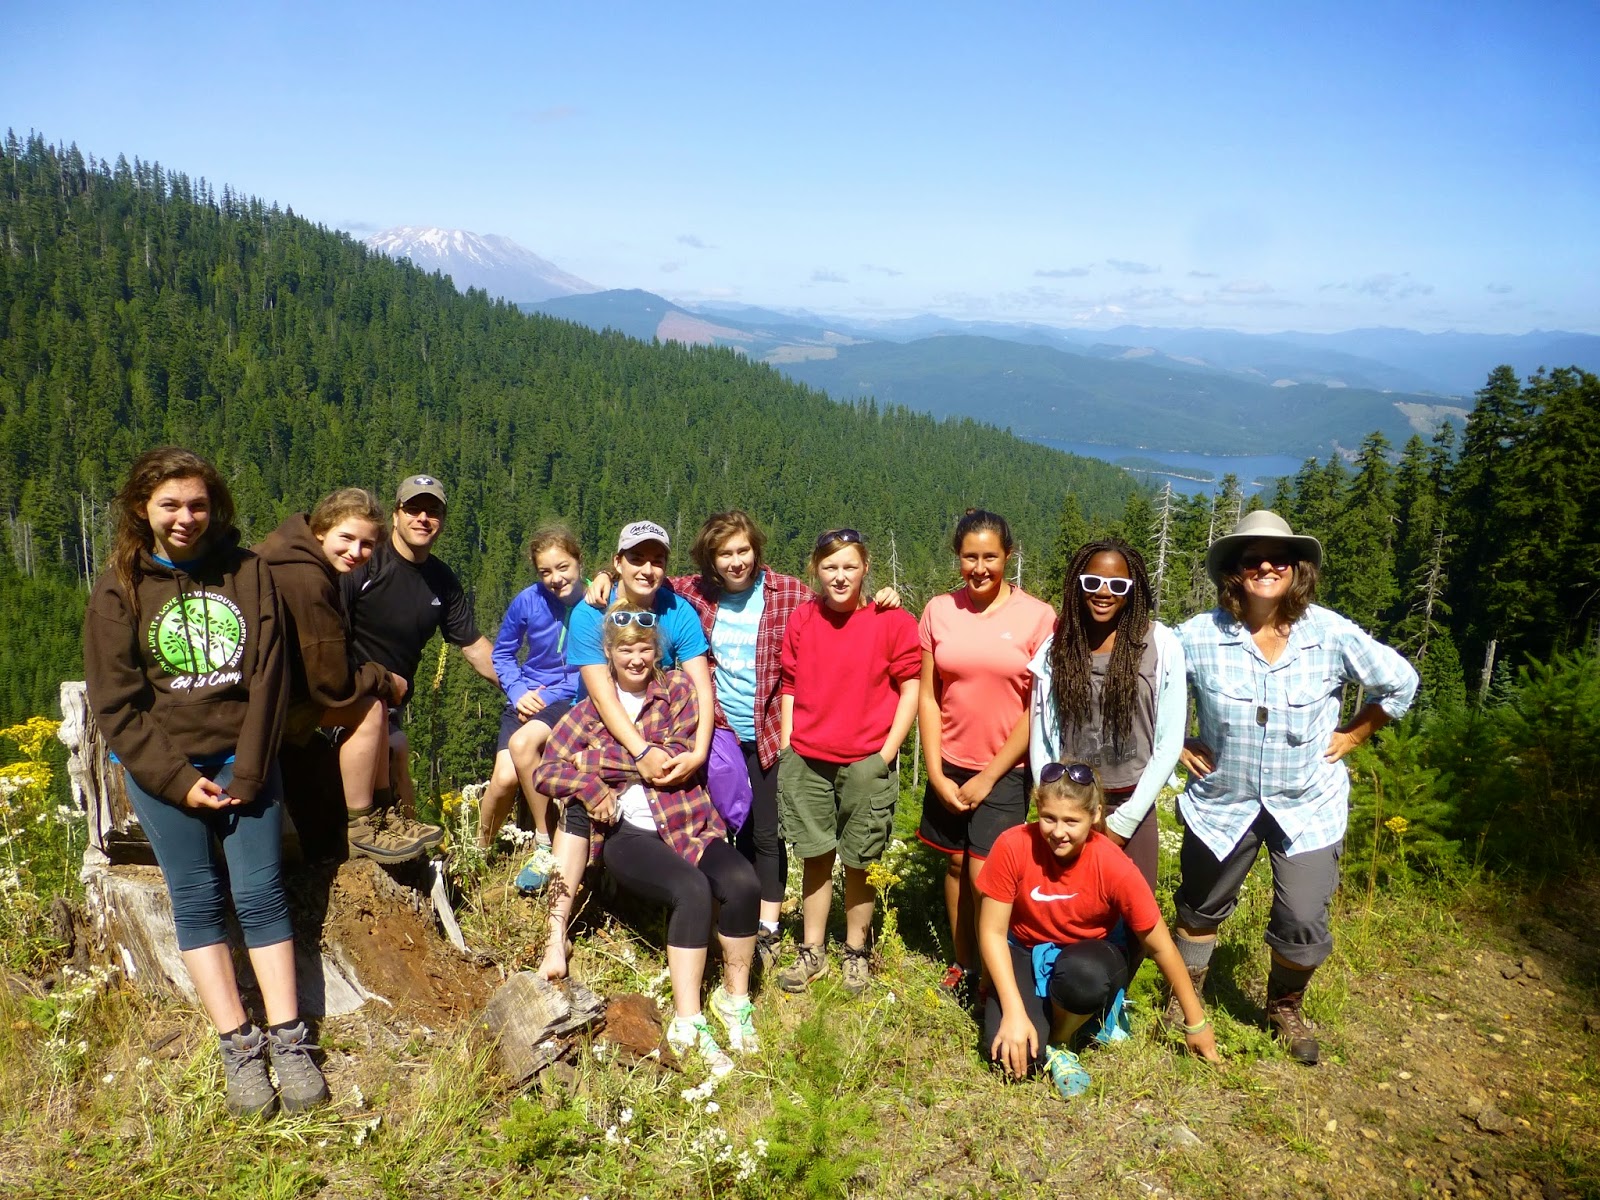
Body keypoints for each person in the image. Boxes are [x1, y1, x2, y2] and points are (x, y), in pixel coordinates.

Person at [83, 447, 328, 1118]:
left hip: (245, 762)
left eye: (197, 504)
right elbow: (115, 703)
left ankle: (289, 1038)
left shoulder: (246, 572)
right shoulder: (119, 589)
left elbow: (270, 674)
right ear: (143, 509)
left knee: (261, 892)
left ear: (213, 506)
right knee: (195, 899)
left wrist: (249, 769)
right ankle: (238, 1046)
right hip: (164, 770)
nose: (185, 517)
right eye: (170, 505)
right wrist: (176, 779)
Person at [1173, 510, 1418, 1065]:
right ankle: (1184, 999)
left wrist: (1355, 734)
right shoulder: (1199, 636)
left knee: (1303, 918)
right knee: (1200, 908)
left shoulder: (1329, 633)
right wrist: (1177, 745)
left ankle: (1284, 1006)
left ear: (1296, 568)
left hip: (1308, 804)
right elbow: (1152, 689)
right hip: (1224, 801)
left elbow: (1400, 682)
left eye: (1278, 558)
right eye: (1251, 558)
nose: (1265, 567)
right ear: (1234, 571)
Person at [534, 604, 760, 1076]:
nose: (635, 659)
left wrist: (593, 762)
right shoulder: (588, 710)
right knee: (690, 889)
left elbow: (674, 756)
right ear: (609, 654)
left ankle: (734, 1000)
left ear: (656, 651)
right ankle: (687, 1020)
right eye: (625, 650)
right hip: (628, 835)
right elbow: (546, 770)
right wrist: (590, 785)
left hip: (688, 823)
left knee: (743, 882)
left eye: (643, 649)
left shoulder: (676, 690)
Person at [977, 762, 1220, 1100]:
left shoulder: (1112, 864)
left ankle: (1063, 1038)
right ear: (1037, 810)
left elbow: (1161, 946)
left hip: (1088, 956)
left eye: (1071, 821)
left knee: (1083, 976)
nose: (1058, 832)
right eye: (1048, 818)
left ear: (1094, 816)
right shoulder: (1013, 845)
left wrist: (1196, 1022)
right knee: (1013, 1060)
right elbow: (992, 932)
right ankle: (1056, 1017)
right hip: (1025, 949)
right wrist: (1014, 1012)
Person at [537, 519, 714, 980]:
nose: (647, 568)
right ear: (617, 562)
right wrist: (619, 763)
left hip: (661, 731)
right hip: (608, 729)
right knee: (579, 804)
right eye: (636, 558)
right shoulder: (590, 615)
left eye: (657, 560)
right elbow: (602, 698)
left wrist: (698, 751)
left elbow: (700, 686)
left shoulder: (677, 610)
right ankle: (555, 935)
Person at [917, 510, 1055, 999]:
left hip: (1006, 769)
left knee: (987, 877)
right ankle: (963, 964)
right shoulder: (939, 611)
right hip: (950, 762)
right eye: (970, 557)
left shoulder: (1038, 617)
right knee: (955, 866)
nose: (979, 568)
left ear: (1008, 557)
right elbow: (929, 695)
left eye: (990, 557)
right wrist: (935, 771)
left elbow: (1037, 707)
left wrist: (988, 776)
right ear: (958, 558)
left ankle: (995, 974)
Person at [776, 528, 920, 996]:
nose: (840, 577)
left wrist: (886, 754)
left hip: (866, 761)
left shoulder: (892, 621)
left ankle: (855, 953)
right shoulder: (803, 618)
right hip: (807, 759)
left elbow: (911, 688)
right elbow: (790, 683)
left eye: (849, 566)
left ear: (865, 567)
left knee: (861, 859)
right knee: (815, 856)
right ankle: (812, 951)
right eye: (830, 567)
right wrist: (789, 743)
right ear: (815, 569)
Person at [257, 488, 430, 863]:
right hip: (264, 707)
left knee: (373, 702)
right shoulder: (308, 580)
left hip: (272, 692)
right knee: (368, 710)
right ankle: (362, 827)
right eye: (347, 538)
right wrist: (385, 679)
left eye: (367, 544)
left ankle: (384, 815)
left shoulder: (295, 555)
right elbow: (332, 685)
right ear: (322, 530)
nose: (356, 551)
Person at [341, 473, 499, 839]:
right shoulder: (366, 562)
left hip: (390, 704)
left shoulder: (442, 580)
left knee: (396, 748)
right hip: (348, 692)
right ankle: (373, 832)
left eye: (432, 511)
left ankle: (406, 839)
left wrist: (521, 689)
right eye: (413, 509)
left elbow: (474, 646)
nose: (423, 518)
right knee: (395, 748)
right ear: (395, 515)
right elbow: (330, 629)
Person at [1026, 537, 1185, 894]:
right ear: (1078, 584)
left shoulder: (1161, 645)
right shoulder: (1057, 648)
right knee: (1069, 905)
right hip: (1071, 806)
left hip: (1133, 803)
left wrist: (1125, 822)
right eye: (1093, 582)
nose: (1103, 592)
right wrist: (1052, 805)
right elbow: (1042, 737)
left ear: (1132, 590)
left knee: (1133, 909)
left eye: (1117, 585)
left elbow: (1169, 741)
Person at [477, 526, 586, 870]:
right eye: (545, 572)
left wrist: (545, 696)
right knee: (504, 778)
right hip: (527, 696)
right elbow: (503, 654)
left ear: (579, 562)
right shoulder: (528, 600)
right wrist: (518, 692)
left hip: (569, 698)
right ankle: (475, 852)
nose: (555, 578)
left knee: (524, 747)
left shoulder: (596, 600)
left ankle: (545, 839)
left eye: (563, 567)